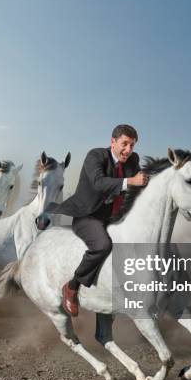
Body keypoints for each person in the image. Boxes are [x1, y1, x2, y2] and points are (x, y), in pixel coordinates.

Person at [45, 124, 148, 316]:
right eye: (125, 144)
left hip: (115, 216)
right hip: (88, 216)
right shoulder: (95, 155)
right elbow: (99, 183)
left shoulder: (133, 159)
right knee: (102, 246)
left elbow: (139, 185)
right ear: (113, 142)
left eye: (132, 145)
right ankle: (72, 287)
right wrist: (130, 181)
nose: (129, 150)